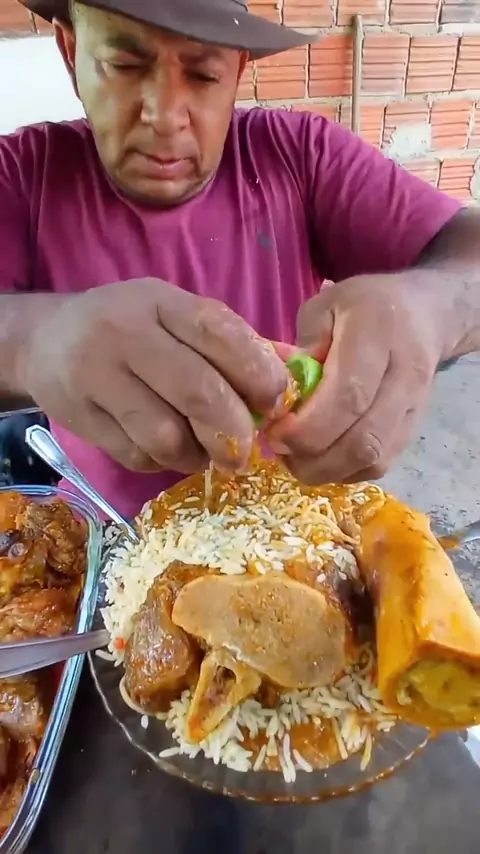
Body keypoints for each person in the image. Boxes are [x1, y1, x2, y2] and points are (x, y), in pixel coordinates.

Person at [0, 0, 478, 519]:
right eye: (125, 65)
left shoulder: (300, 155)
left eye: (203, 75)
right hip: (101, 533)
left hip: (288, 531)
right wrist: (33, 343)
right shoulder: (22, 176)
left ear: (238, 70)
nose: (165, 116)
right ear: (71, 51)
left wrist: (431, 308)